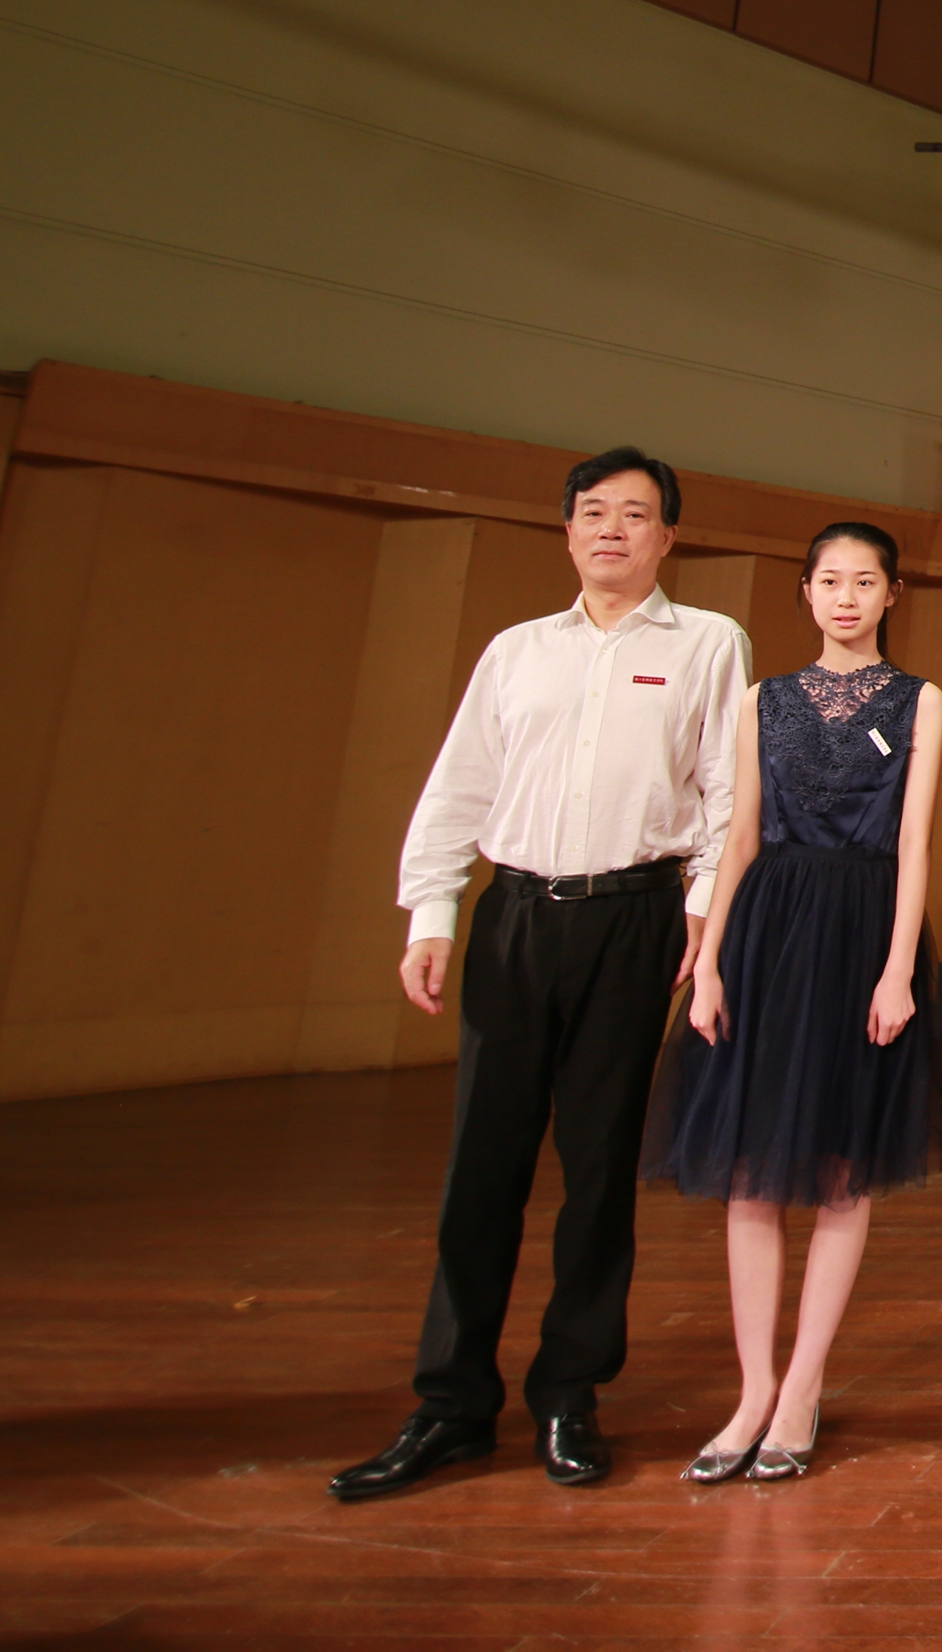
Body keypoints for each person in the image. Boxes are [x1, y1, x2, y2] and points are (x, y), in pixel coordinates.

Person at [331, 448, 751, 1502]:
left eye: (635, 515)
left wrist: (702, 913)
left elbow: (724, 791)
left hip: (634, 916)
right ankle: (451, 1403)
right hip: (514, 914)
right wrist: (432, 912)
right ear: (566, 530)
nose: (611, 529)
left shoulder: (707, 641)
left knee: (599, 1167)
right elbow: (460, 785)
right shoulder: (516, 651)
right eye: (593, 512)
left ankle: (570, 1392)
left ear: (667, 537)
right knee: (481, 1166)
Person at [644, 522, 942, 1483]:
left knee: (840, 1168)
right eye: (830, 580)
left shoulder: (919, 699)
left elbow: (914, 844)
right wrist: (712, 961)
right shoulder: (763, 698)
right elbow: (738, 837)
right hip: (767, 931)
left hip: (862, 930)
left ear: (892, 594)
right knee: (749, 1171)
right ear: (806, 591)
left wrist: (897, 969)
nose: (846, 597)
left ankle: (802, 1392)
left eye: (865, 581)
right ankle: (753, 1395)